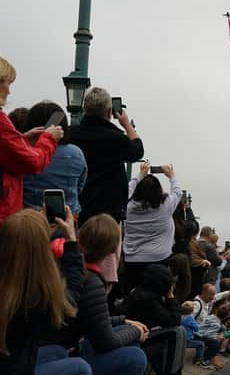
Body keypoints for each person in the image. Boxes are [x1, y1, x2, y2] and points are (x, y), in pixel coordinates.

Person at [0, 208, 90, 375]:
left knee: (57, 352)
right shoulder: (34, 301)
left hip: (12, 361)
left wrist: (35, 231)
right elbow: (71, 297)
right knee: (80, 368)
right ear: (42, 253)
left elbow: (21, 252)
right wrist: (71, 240)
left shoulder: (12, 291)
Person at [56, 213, 148, 375]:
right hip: (67, 352)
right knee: (137, 357)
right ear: (113, 249)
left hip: (62, 346)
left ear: (81, 241)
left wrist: (123, 321)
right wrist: (136, 331)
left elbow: (91, 318)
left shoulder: (73, 269)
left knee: (127, 333)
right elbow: (105, 343)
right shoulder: (92, 282)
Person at [70, 87, 144, 283]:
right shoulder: (115, 139)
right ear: (109, 113)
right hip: (107, 213)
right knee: (105, 270)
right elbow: (137, 150)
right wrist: (126, 123)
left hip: (78, 210)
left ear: (85, 109)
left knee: (75, 262)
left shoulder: (72, 135)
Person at [0, 56, 63, 222]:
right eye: (7, 84)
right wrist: (49, 138)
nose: (9, 90)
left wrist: (21, 140)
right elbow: (33, 163)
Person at [123, 162, 181, 293]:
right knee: (155, 294)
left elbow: (126, 191)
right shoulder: (166, 205)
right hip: (158, 258)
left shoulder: (128, 207)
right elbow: (177, 192)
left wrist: (139, 176)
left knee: (134, 293)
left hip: (132, 258)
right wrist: (172, 175)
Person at [22, 101, 87, 216]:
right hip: (67, 220)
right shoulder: (76, 153)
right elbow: (79, 187)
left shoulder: (24, 152)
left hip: (30, 220)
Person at [125, 264, 185, 375]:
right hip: (137, 340)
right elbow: (174, 319)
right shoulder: (146, 299)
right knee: (177, 332)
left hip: (142, 335)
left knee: (179, 331)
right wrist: (171, 297)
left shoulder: (144, 292)